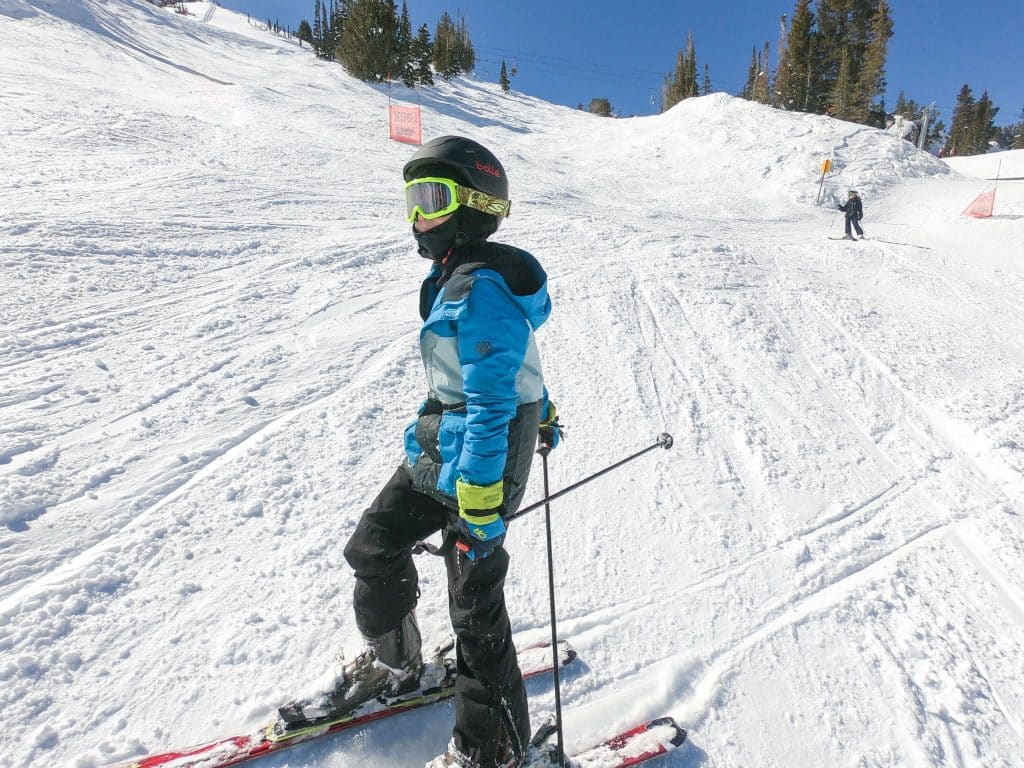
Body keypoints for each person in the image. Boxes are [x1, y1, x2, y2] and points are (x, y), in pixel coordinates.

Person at [277, 136, 561, 768]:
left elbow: (492, 399)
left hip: (485, 459)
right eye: (413, 199)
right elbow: (492, 372)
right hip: (443, 445)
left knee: (473, 608)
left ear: (475, 205)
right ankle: (399, 666)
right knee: (374, 544)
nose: (418, 215)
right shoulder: (451, 280)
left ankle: (494, 753)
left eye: (432, 199)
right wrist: (543, 405)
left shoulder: (483, 287)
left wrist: (486, 494)